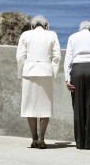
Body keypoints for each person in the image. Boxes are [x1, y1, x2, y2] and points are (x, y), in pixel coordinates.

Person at [16, 15, 61, 149]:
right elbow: (57, 56)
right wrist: (53, 72)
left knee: (29, 106)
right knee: (45, 106)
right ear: (45, 25)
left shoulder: (25, 34)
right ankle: (42, 139)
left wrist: (21, 72)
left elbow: (20, 56)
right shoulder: (52, 34)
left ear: (32, 25)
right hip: (45, 72)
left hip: (29, 72)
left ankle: (34, 139)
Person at [64, 21, 90, 150]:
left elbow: (68, 59)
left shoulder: (72, 37)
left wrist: (67, 78)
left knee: (78, 108)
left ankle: (80, 143)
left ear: (80, 28)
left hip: (76, 70)